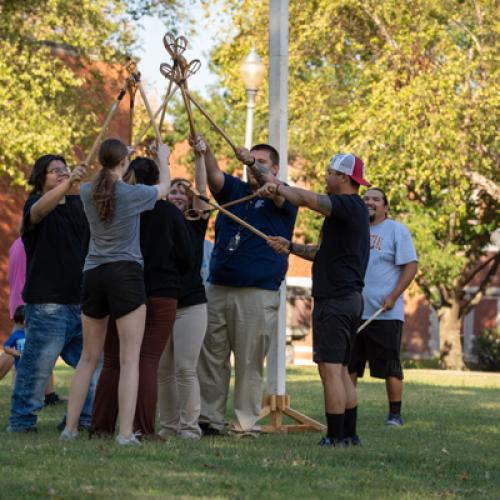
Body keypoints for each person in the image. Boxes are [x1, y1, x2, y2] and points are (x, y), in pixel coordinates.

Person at [61, 139, 170, 446]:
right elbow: (165, 188)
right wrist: (163, 158)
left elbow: (104, 180)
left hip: (93, 274)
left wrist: (121, 158)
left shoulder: (85, 191)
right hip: (125, 274)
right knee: (129, 359)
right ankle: (124, 434)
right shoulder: (134, 194)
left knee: (88, 357)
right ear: (124, 162)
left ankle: (69, 430)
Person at [259, 153, 370, 447]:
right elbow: (320, 253)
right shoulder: (351, 212)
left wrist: (279, 188)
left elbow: (307, 200)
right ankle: (349, 435)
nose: (326, 176)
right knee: (341, 369)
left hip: (335, 299)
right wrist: (291, 246)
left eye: (330, 172)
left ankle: (335, 437)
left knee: (330, 369)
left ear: (344, 177)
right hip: (348, 299)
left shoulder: (347, 205)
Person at [197, 140, 297, 436]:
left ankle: (244, 425)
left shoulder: (284, 194)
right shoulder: (235, 190)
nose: (252, 165)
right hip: (218, 286)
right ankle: (209, 420)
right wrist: (205, 150)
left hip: (257, 291)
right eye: (249, 161)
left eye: (261, 161)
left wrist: (255, 166)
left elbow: (279, 195)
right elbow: (214, 175)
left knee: (249, 362)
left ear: (275, 168)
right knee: (212, 357)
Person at [90, 154, 193, 439]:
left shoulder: (116, 208)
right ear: (156, 181)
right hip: (160, 291)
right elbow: (187, 256)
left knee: (113, 360)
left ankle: (100, 426)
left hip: (120, 289)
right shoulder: (168, 213)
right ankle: (143, 428)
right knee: (146, 360)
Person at [8, 154, 90, 433]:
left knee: (91, 365)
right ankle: (21, 422)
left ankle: (82, 417)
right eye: (55, 171)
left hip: (80, 303)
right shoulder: (35, 205)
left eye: (65, 169)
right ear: (41, 179)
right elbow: (40, 211)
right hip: (47, 304)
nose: (62, 173)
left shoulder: (79, 205)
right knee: (35, 368)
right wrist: (66, 186)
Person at [348, 188, 418, 426]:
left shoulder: (396, 230)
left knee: (390, 367)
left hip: (385, 313)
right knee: (350, 366)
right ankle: (347, 413)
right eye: (366, 198)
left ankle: (394, 415)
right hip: (354, 310)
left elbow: (410, 266)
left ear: (385, 207)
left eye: (376, 199)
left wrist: (393, 296)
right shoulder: (354, 229)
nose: (370, 202)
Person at [157, 136, 212, 440]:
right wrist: (159, 161)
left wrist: (200, 156)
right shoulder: (157, 219)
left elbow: (203, 193)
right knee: (163, 371)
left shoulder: (195, 221)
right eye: (173, 190)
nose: (178, 194)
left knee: (185, 369)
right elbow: (152, 190)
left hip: (191, 304)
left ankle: (189, 429)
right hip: (161, 302)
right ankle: (168, 427)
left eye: (183, 191)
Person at [7, 236, 62, 406]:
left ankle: (49, 394)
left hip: (18, 301)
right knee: (33, 349)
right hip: (28, 303)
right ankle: (41, 396)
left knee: (30, 347)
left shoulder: (16, 244)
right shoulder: (34, 243)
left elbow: (11, 275)